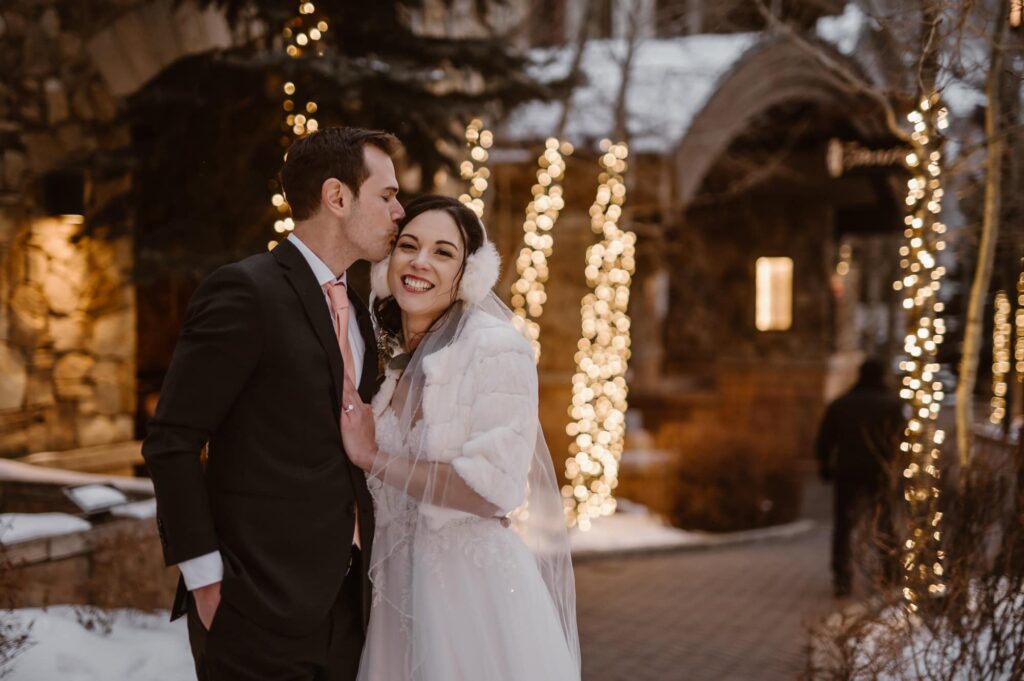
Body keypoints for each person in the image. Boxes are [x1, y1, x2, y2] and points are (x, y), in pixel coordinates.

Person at [142, 127, 405, 680]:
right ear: (337, 197)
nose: (398, 211)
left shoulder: (359, 312)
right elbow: (172, 441)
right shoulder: (245, 292)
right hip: (253, 609)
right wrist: (206, 579)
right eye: (386, 195)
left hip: (348, 608)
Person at [339, 195, 581, 680]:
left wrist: (372, 458)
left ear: (468, 273)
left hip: (470, 597)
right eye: (409, 246)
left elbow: (492, 489)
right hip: (394, 594)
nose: (420, 262)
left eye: (443, 252)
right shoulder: (390, 366)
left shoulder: (496, 347)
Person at [815, 358, 906, 598]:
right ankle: (889, 572)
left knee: (844, 525)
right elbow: (902, 439)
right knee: (884, 521)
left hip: (848, 470)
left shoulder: (842, 404)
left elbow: (825, 438)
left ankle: (841, 576)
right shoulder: (892, 405)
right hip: (880, 471)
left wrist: (825, 465)